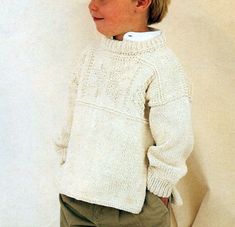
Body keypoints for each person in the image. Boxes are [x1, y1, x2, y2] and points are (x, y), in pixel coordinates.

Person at [54, 0, 194, 226]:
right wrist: (66, 165)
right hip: (75, 201)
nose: (92, 5)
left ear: (141, 2)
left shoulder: (162, 67)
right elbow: (70, 121)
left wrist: (158, 192)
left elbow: (176, 140)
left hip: (133, 210)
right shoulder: (90, 56)